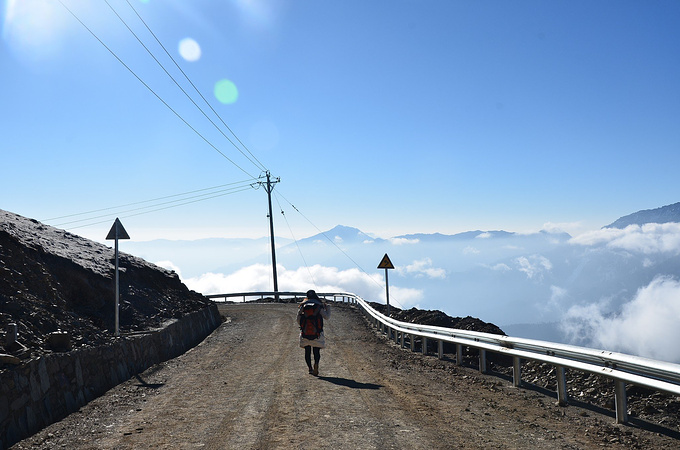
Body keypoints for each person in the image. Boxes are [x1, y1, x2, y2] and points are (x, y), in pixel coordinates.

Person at [296, 289, 331, 376]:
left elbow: (298, 319)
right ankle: (316, 364)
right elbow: (326, 317)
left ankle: (310, 369)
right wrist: (328, 308)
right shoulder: (318, 306)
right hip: (317, 333)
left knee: (307, 351)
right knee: (316, 351)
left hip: (305, 333)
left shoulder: (303, 306)